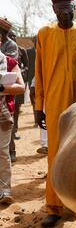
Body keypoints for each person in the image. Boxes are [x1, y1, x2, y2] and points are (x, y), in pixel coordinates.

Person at [35, 0, 76, 228]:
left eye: (69, 9)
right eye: (61, 10)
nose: (66, 13)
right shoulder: (45, 33)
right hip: (56, 101)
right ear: (54, 10)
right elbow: (38, 71)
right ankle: (54, 207)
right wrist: (39, 106)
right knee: (56, 153)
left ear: (74, 8)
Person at [0, 51, 25, 204]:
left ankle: (5, 189)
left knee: (2, 151)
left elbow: (21, 87)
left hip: (3, 115)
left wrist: (1, 87)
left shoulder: (9, 62)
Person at [8, 31, 29, 162]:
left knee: (16, 109)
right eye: (11, 37)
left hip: (18, 83)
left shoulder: (21, 51)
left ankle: (14, 129)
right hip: (8, 85)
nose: (13, 39)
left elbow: (27, 66)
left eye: (14, 37)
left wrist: (19, 72)